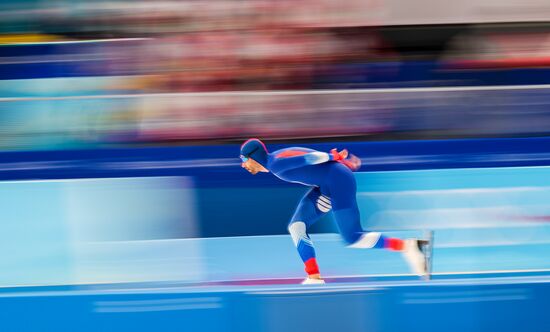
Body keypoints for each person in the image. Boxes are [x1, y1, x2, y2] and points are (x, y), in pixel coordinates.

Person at [240, 138, 430, 284]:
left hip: (338, 182)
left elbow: (310, 158)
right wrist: (337, 162)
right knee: (296, 227)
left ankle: (409, 247)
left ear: (254, 156)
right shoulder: (276, 158)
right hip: (328, 183)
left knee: (353, 237)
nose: (243, 164)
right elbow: (308, 157)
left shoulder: (275, 164)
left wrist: (334, 159)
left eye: (244, 159)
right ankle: (314, 277)